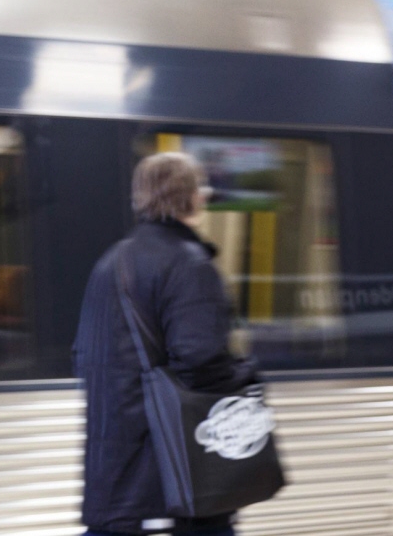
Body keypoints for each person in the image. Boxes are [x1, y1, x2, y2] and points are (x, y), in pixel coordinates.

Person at [74, 152, 260, 536]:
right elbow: (201, 359)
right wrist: (246, 375)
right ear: (194, 198)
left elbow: (82, 357)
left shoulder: (111, 261)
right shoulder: (189, 264)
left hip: (112, 484)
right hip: (173, 490)